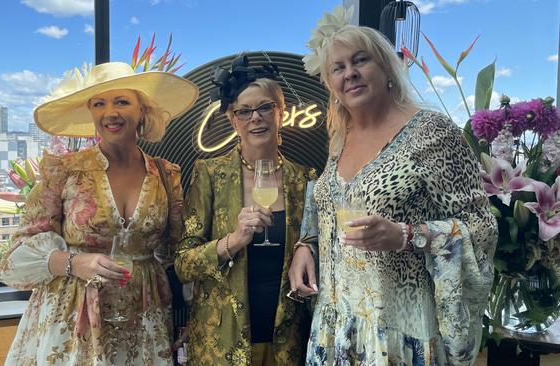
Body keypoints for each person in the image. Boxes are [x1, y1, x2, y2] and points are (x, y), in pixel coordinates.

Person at [288, 5, 498, 366]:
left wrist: (406, 235)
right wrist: (304, 246)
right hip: (336, 329)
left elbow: (481, 228)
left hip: (400, 334)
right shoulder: (340, 139)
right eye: (338, 68)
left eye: (360, 61)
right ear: (330, 84)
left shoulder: (432, 133)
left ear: (387, 67)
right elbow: (324, 202)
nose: (350, 74)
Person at [0, 61, 198, 365]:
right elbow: (13, 260)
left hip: (144, 320)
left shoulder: (165, 174)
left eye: (122, 101)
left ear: (142, 110)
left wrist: (193, 311)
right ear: (91, 112)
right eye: (99, 103)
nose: (111, 112)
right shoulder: (64, 171)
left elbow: (176, 252)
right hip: (73, 317)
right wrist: (74, 262)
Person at [175, 55, 317, 366]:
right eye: (244, 111)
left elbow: (320, 253)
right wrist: (234, 241)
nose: (256, 117)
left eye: (265, 107)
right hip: (223, 343)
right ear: (232, 120)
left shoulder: (305, 179)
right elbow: (183, 263)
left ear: (280, 113)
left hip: (286, 342)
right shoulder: (210, 174)